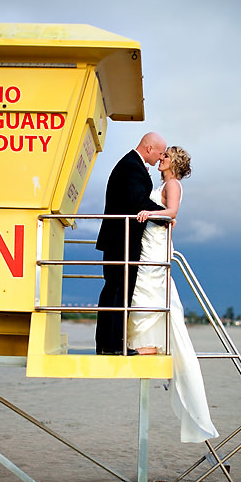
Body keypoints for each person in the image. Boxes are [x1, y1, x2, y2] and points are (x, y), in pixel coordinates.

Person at [128, 146, 218, 442]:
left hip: (156, 243)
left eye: (165, 157)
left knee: (147, 287)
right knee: (146, 289)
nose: (160, 159)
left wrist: (149, 212)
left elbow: (172, 212)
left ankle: (150, 343)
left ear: (173, 163)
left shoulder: (172, 184)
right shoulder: (162, 184)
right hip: (152, 240)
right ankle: (148, 343)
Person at [94, 132, 168, 355]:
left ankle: (112, 343)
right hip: (121, 240)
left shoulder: (132, 164)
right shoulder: (130, 167)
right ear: (149, 149)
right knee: (117, 290)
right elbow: (138, 202)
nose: (160, 157)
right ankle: (111, 345)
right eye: (160, 152)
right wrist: (165, 215)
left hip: (122, 239)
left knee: (118, 290)